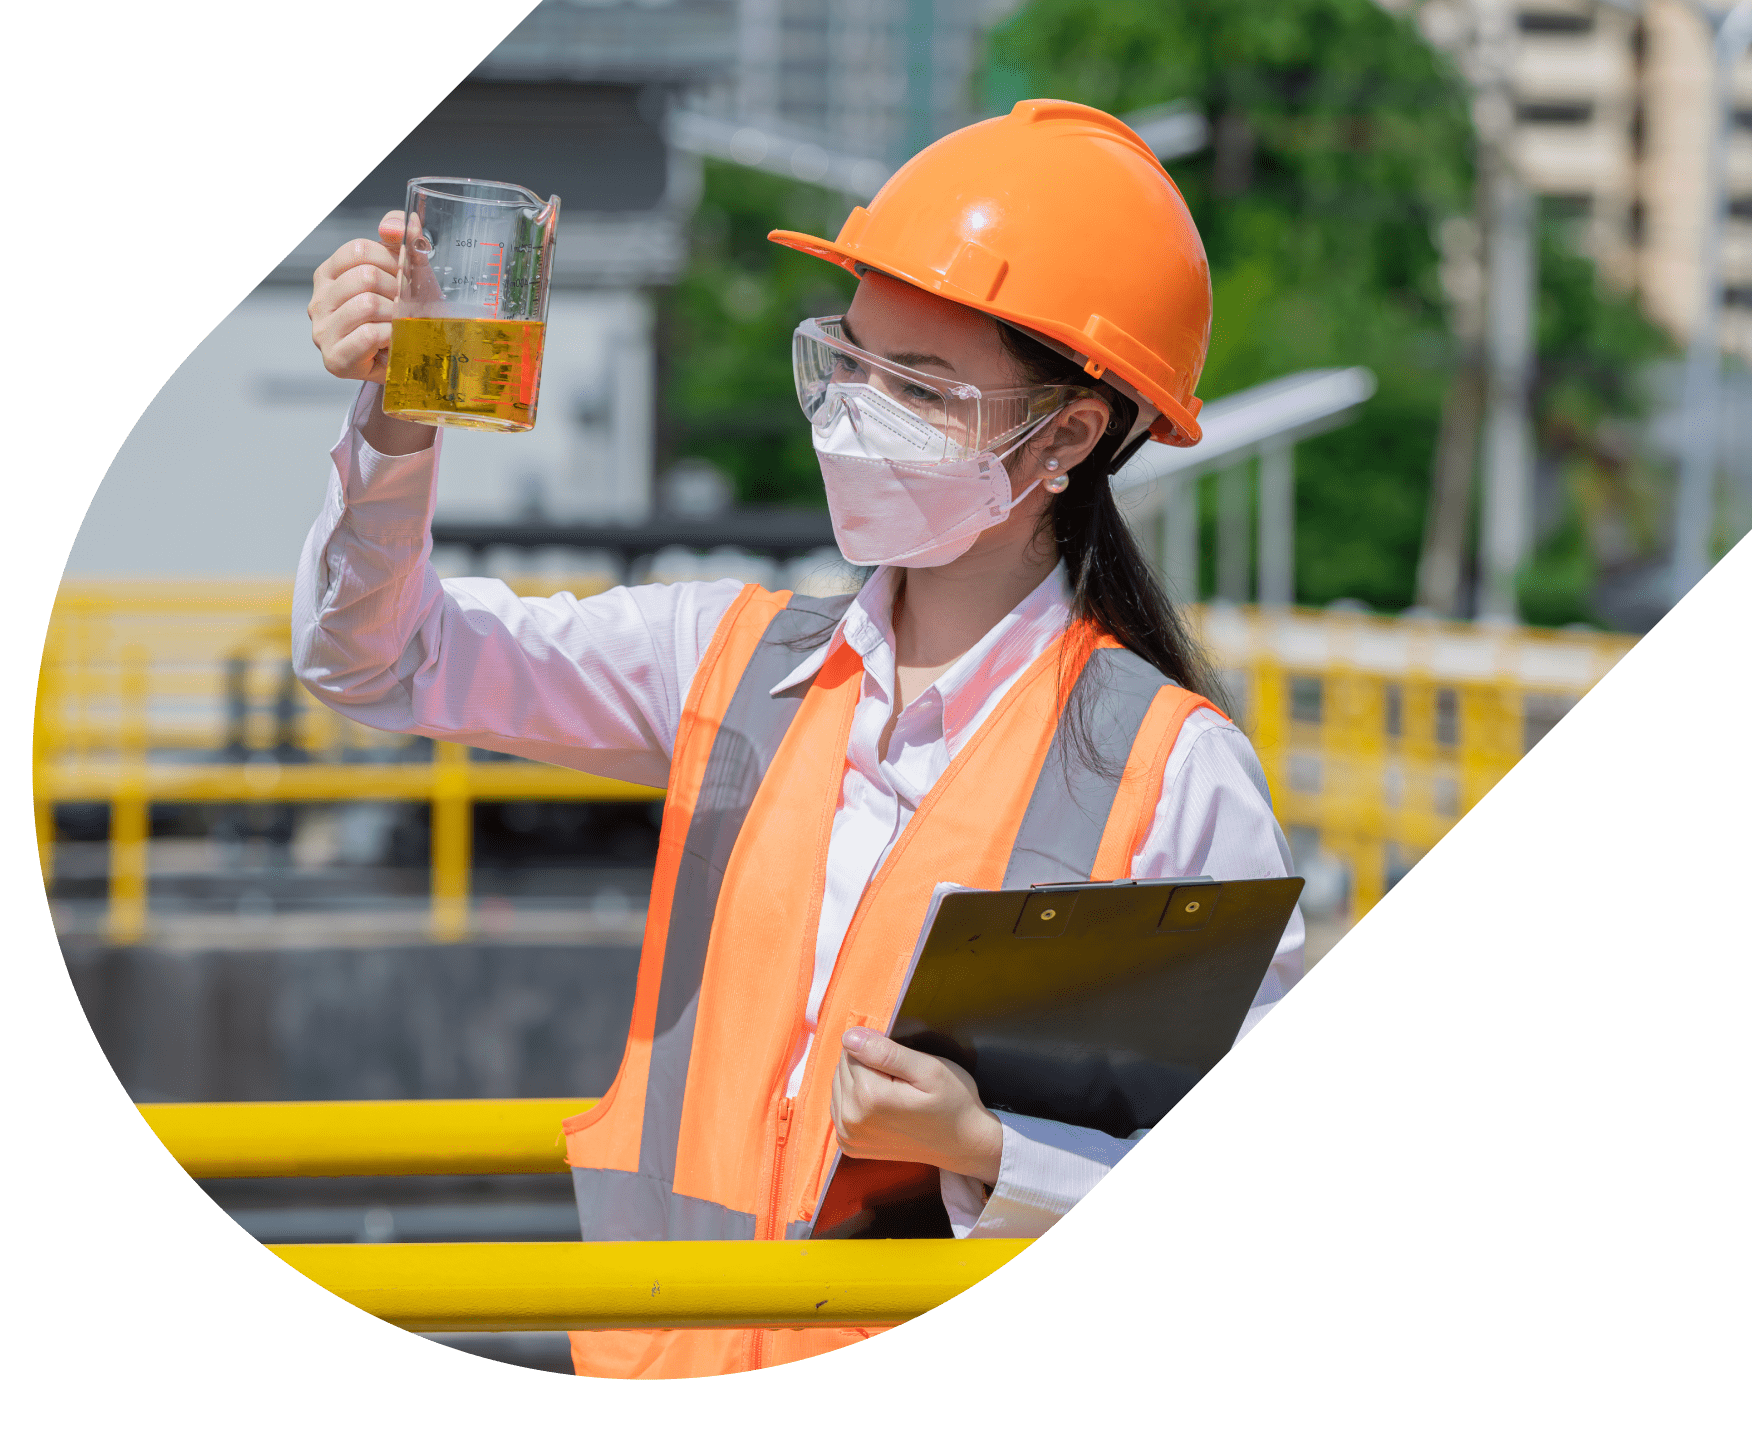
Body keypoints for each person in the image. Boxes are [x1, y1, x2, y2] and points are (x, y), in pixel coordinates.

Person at [296, 99, 1304, 1379]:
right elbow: (378, 653)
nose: (857, 415)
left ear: (1067, 436)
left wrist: (991, 1151)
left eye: (921, 387)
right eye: (852, 361)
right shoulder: (723, 661)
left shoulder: (1167, 771)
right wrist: (395, 426)